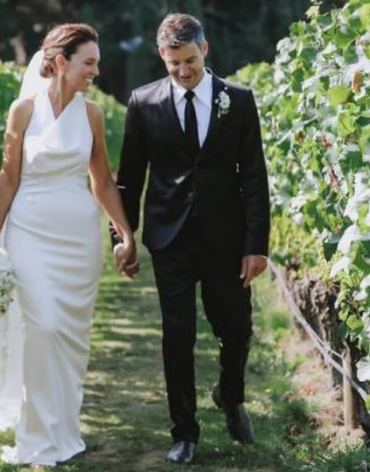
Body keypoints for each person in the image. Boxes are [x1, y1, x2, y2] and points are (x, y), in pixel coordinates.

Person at [0, 23, 138, 470]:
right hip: (29, 232)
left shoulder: (92, 115)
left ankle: (63, 430)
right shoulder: (22, 111)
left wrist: (125, 233)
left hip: (78, 239)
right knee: (43, 328)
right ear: (61, 62)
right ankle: (37, 439)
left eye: (96, 63)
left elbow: (101, 181)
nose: (95, 71)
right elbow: (8, 178)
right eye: (88, 63)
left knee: (70, 339)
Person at [110, 13, 270, 464]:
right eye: (174, 62)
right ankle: (185, 431)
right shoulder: (143, 102)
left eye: (190, 61)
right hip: (170, 236)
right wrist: (123, 236)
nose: (183, 71)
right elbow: (129, 179)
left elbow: (254, 175)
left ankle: (231, 395)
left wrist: (256, 244)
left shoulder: (238, 100)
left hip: (227, 237)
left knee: (235, 330)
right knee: (176, 335)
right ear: (162, 56)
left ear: (205, 50)